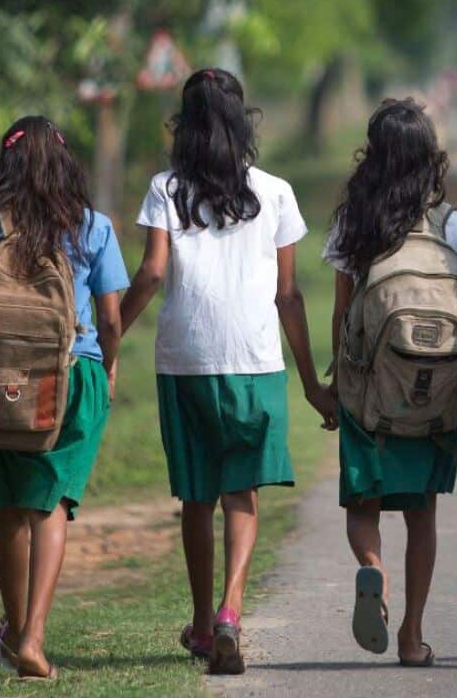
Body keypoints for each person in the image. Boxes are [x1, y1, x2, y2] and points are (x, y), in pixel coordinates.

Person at [119, 68, 336, 675]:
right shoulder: (276, 191)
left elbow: (153, 273)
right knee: (241, 493)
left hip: (185, 360)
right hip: (255, 359)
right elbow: (288, 297)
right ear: (243, 122)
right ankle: (230, 614)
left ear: (183, 126)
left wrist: (109, 336)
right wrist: (313, 385)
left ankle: (198, 620)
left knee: (197, 496)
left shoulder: (165, 188)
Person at [0, 116, 130, 681]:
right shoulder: (93, 227)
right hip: (72, 375)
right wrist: (111, 363)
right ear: (63, 164)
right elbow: (109, 317)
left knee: (10, 507)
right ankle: (33, 636)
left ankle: (12, 630)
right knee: (51, 504)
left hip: (1, 378)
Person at [323, 98, 457, 668]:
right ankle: (412, 636)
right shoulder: (450, 221)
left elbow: (341, 311)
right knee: (422, 513)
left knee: (363, 503)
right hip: (434, 392)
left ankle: (374, 573)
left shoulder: (354, 220)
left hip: (368, 389)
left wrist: (334, 381)